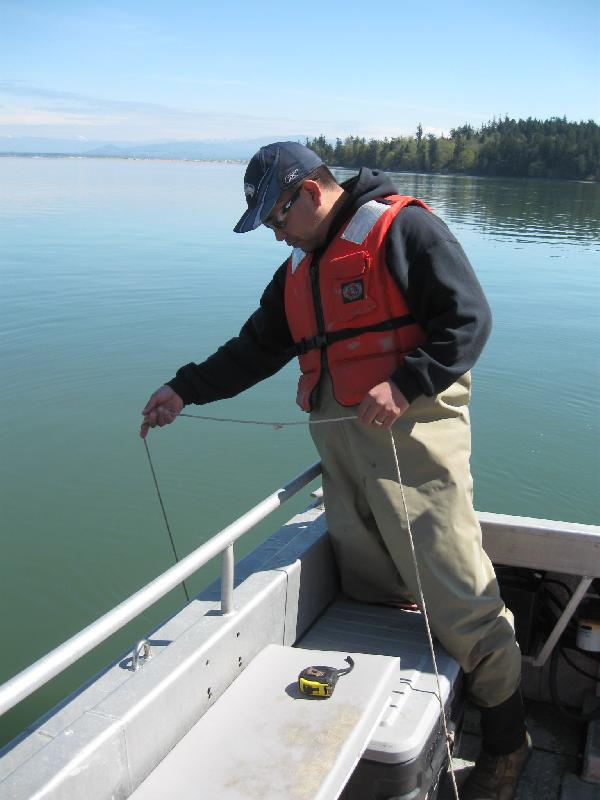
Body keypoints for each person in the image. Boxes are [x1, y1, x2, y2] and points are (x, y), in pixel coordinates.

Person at [141, 141, 531, 799]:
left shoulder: (404, 230)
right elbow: (256, 349)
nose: (276, 233)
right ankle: (386, 717)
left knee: (460, 590)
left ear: (309, 192)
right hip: (343, 450)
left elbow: (469, 319)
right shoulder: (298, 268)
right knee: (368, 579)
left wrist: (406, 383)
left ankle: (507, 741)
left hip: (414, 442)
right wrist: (185, 389)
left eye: (276, 217)